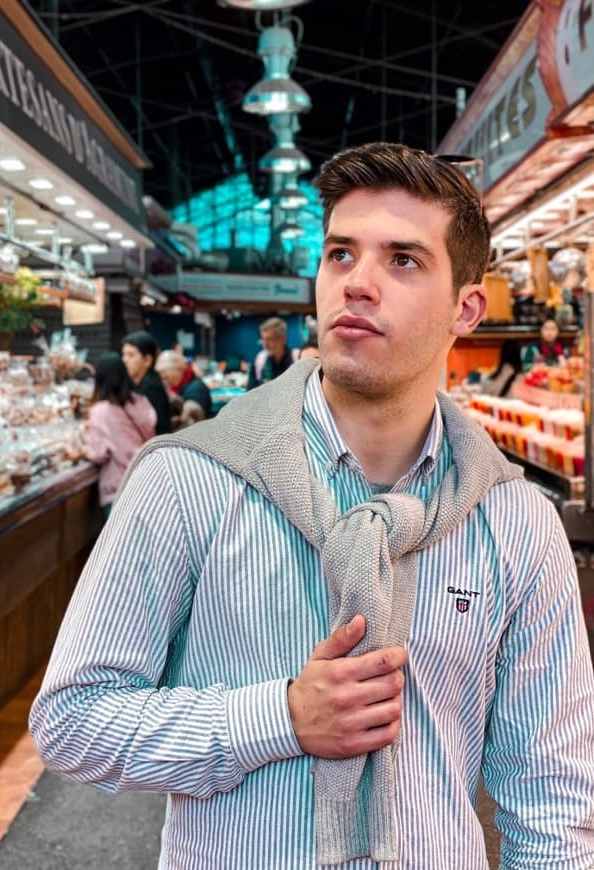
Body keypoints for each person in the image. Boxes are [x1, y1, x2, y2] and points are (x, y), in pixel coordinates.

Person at [30, 142, 594, 869]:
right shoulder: (190, 480)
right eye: (340, 255)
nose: (358, 282)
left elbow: (552, 796)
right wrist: (280, 717)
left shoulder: (514, 522)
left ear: (466, 309)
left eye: (403, 260)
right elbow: (73, 720)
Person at [84, 352, 156, 518]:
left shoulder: (101, 412)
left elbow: (98, 454)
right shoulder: (142, 402)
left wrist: (82, 447)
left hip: (119, 490)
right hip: (147, 483)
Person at [121, 330, 171, 434]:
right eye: (124, 354)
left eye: (131, 355)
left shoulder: (152, 388)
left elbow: (160, 429)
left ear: (147, 360)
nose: (125, 360)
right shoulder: (138, 383)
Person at [156, 348, 213, 422]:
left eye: (166, 377)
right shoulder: (180, 386)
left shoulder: (196, 388)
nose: (165, 382)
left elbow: (194, 418)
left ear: (178, 369)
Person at [246, 316, 295, 389]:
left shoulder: (295, 358)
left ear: (283, 339)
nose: (265, 344)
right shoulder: (260, 360)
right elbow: (250, 391)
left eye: (270, 339)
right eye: (263, 339)